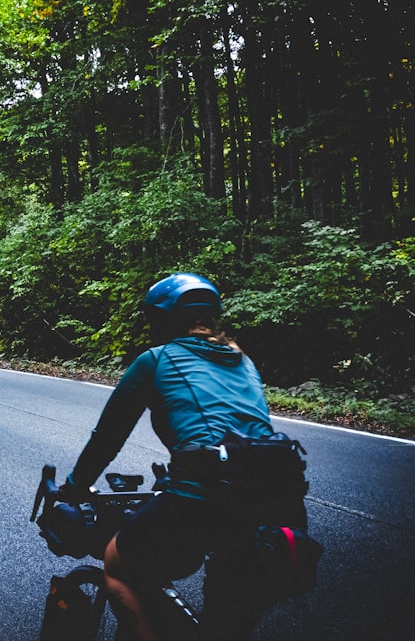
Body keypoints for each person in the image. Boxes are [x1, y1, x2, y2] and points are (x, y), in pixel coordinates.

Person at [60, 273, 309, 641]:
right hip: (280, 507)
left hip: (202, 499)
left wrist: (74, 487)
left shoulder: (156, 360)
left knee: (117, 564)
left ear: (160, 321)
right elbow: (239, 436)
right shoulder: (243, 360)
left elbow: (107, 439)